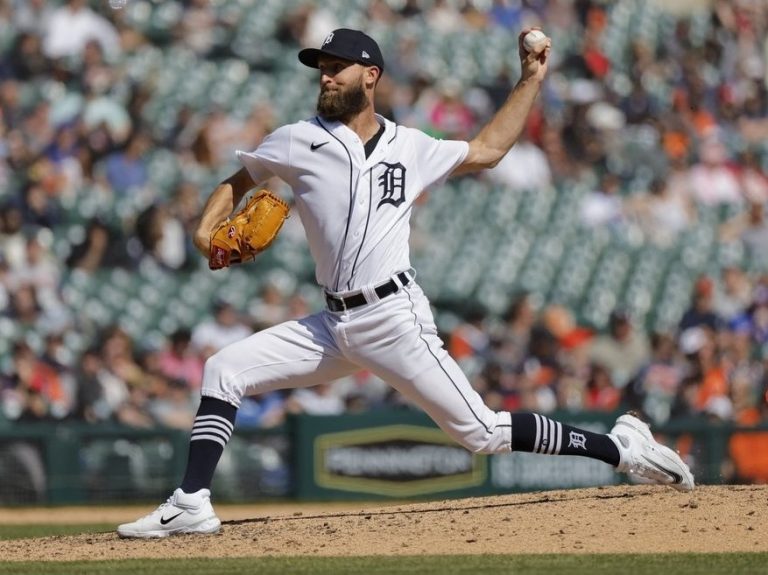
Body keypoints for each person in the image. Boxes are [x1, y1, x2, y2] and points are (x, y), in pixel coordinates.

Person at [117, 28, 693, 539]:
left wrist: (530, 80)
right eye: (320, 67)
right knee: (223, 369)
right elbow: (238, 179)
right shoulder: (296, 139)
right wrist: (204, 229)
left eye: (334, 66)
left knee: (482, 433)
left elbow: (490, 149)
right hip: (334, 324)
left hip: (393, 317)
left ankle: (621, 449)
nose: (324, 75)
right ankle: (191, 501)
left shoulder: (410, 146)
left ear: (370, 76)